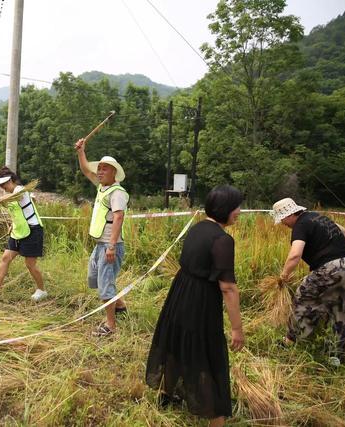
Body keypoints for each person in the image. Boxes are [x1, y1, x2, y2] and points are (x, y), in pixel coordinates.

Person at [146, 185, 245, 427]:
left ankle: (166, 395)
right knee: (209, 356)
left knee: (177, 342)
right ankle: (216, 417)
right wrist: (237, 328)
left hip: (180, 294)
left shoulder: (198, 227)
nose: (239, 212)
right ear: (225, 209)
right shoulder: (223, 240)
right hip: (201, 301)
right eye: (236, 207)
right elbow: (228, 288)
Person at [273, 198, 345, 366]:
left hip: (332, 268)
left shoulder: (300, 224)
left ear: (290, 214)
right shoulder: (318, 217)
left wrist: (283, 277)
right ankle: (334, 356)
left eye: (282, 219)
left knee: (303, 298)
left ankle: (291, 341)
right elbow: (344, 230)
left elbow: (295, 255)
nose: (283, 223)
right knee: (343, 308)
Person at [75, 138, 129, 336]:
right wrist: (81, 151)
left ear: (114, 172)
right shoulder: (102, 187)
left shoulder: (117, 192)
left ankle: (110, 326)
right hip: (100, 245)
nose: (99, 171)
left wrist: (112, 247)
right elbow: (85, 170)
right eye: (99, 168)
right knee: (94, 279)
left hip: (109, 244)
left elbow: (119, 217)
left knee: (105, 286)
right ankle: (120, 306)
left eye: (104, 169)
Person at [0, 167, 47, 302]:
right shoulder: (9, 194)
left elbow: (15, 197)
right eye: (1, 185)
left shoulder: (20, 190)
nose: (3, 187)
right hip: (18, 231)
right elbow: (16, 212)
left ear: (11, 180)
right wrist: (12, 224)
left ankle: (41, 290)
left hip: (32, 230)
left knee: (30, 264)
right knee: (5, 258)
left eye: (4, 184)